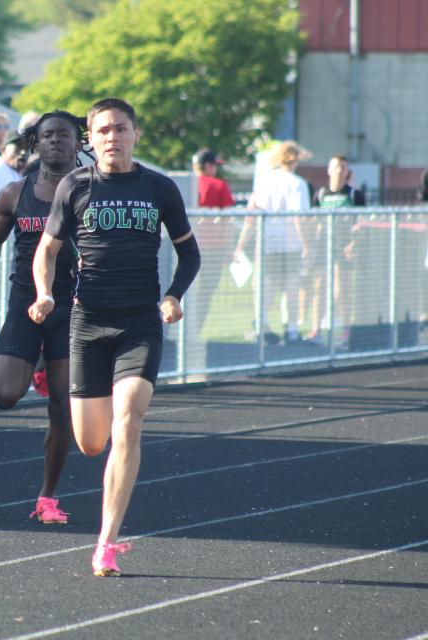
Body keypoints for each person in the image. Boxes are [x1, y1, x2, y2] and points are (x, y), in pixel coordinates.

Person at [30, 98, 200, 576]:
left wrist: (173, 296)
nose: (112, 137)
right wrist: (45, 293)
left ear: (135, 134)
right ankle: (105, 522)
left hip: (140, 323)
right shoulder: (75, 186)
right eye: (102, 130)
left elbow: (190, 254)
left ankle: (107, 542)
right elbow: (47, 250)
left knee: (129, 421)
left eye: (120, 129)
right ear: (91, 137)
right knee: (90, 443)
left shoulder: (159, 188)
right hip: (87, 324)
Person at [0, 111, 85, 524]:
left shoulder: (96, 190)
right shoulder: (14, 194)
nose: (55, 141)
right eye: (47, 135)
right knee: (3, 395)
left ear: (78, 142)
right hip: (26, 303)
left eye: (64, 135)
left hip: (73, 309)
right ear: (36, 143)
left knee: (62, 407)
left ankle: (47, 497)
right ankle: (33, 361)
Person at [235, 140, 311, 345]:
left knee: (266, 286)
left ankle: (261, 324)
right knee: (291, 286)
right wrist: (306, 244)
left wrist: (241, 243)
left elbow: (251, 216)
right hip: (290, 244)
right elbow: (298, 217)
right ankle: (291, 330)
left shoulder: (265, 182)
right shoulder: (297, 184)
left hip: (267, 242)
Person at [186, 148, 235, 365]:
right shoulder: (218, 185)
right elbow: (227, 220)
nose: (215, 168)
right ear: (207, 165)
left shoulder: (185, 184)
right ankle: (194, 331)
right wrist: (230, 249)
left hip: (186, 247)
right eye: (214, 164)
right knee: (205, 293)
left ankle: (184, 330)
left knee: (185, 291)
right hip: (213, 248)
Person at [312, 155, 366, 344]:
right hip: (323, 246)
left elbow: (362, 222)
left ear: (346, 172)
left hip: (344, 248)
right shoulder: (320, 194)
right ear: (328, 170)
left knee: (342, 290)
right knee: (319, 289)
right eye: (335, 167)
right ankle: (315, 330)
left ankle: (345, 331)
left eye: (342, 168)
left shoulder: (353, 194)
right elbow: (314, 222)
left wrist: (354, 242)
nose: (339, 170)